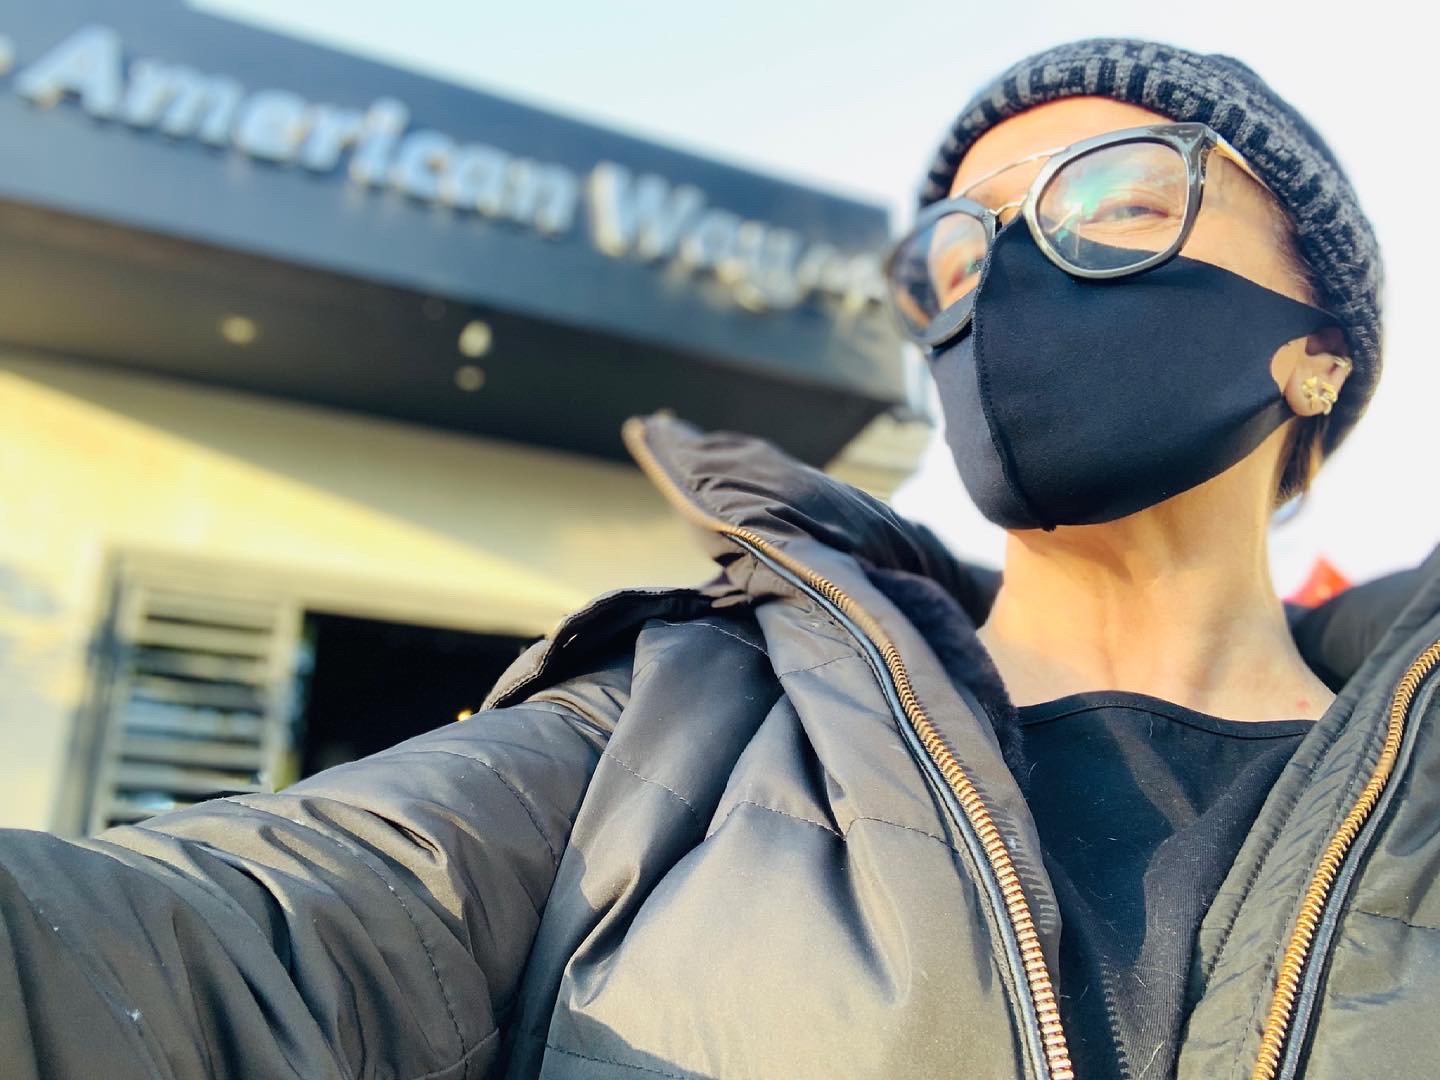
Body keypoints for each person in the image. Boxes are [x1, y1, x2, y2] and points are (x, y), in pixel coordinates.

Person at [0, 34, 1435, 1080]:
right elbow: (243, 941)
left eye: (1109, 201)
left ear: (1321, 351)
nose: (1002, 271)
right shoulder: (678, 723)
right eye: (959, 246)